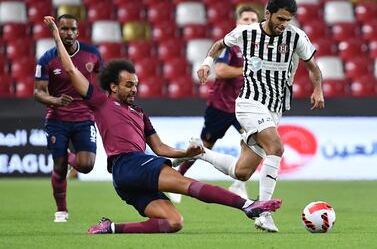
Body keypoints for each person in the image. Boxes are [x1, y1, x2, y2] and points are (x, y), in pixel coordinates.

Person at [43, 16, 282, 235]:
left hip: (127, 178)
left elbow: (160, 148)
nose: (133, 89)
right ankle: (248, 205)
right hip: (128, 164)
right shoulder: (100, 102)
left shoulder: (139, 113)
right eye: (128, 85)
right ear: (113, 87)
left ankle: (110, 228)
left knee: (173, 222)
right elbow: (71, 69)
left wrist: (185, 154)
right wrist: (56, 35)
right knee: (187, 185)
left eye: (135, 84)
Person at [195, 0, 325, 232]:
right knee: (276, 147)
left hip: (274, 108)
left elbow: (313, 68)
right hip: (249, 102)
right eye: (280, 18)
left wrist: (318, 89)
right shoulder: (245, 33)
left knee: (242, 172)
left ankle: (199, 151)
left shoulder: (296, 37)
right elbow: (218, 45)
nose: (284, 24)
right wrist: (206, 64)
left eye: (288, 20)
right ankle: (263, 212)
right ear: (268, 14)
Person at [171, 6, 260, 203]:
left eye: (254, 20)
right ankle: (177, 179)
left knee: (255, 142)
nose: (250, 23)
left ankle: (239, 185)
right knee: (203, 146)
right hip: (220, 106)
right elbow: (220, 71)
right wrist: (247, 69)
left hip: (243, 107)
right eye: (246, 19)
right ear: (238, 23)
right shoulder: (230, 46)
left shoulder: (259, 50)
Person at [34, 14, 103, 222]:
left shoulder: (93, 54)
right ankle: (61, 210)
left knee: (87, 165)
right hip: (57, 119)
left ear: (78, 32)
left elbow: (102, 84)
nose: (69, 33)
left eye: (72, 29)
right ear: (58, 32)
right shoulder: (47, 58)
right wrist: (55, 101)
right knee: (59, 166)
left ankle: (66, 156)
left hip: (85, 118)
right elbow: (38, 92)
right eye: (64, 29)